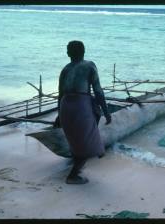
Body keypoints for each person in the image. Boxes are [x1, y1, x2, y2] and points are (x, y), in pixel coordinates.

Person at [57, 40, 111, 184]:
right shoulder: (89, 65)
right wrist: (106, 112)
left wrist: (58, 115)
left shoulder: (65, 69)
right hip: (80, 106)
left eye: (67, 50)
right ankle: (73, 176)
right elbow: (98, 91)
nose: (67, 52)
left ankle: (89, 155)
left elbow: (60, 94)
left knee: (76, 140)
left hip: (65, 106)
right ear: (83, 51)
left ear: (69, 53)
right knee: (85, 141)